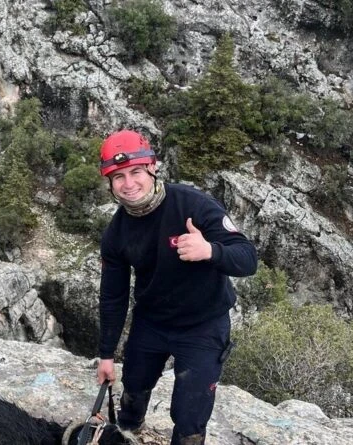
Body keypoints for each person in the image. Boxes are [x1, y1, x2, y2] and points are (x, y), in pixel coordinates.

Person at [94, 130, 257, 445]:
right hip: (152, 321)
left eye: (136, 172)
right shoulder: (116, 233)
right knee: (134, 389)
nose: (128, 184)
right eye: (118, 177)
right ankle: (128, 434)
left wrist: (210, 250)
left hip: (203, 325)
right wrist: (106, 355)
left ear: (153, 167)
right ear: (110, 184)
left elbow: (247, 258)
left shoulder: (193, 205)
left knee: (190, 415)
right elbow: (113, 296)